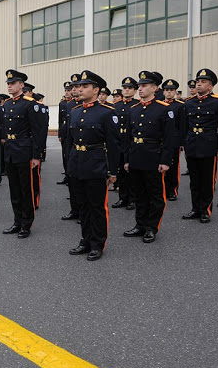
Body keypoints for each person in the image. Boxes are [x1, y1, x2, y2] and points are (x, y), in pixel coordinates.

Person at [67, 70, 120, 261]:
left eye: (85, 86)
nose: (79, 90)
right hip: (78, 163)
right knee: (82, 206)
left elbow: (114, 145)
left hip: (96, 164)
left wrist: (113, 171)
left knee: (97, 206)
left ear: (96, 90)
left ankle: (98, 243)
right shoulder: (75, 112)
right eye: (79, 86)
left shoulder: (107, 113)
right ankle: (85, 239)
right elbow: (71, 141)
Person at [122, 71, 175, 243]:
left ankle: (152, 227)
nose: (140, 88)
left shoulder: (164, 109)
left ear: (154, 88)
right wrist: (127, 159)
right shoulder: (134, 110)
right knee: (139, 194)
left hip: (154, 157)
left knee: (156, 195)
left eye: (144, 86)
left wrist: (165, 161)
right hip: (136, 156)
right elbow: (128, 137)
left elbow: (169, 138)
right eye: (140, 85)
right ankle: (140, 224)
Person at [1, 69, 46, 238]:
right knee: (14, 189)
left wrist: (36, 155)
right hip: (11, 150)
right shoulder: (7, 104)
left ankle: (26, 224)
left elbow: (39, 131)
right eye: (8, 84)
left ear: (21, 85)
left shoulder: (30, 104)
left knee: (26, 189)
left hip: (25, 150)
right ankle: (17, 221)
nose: (10, 86)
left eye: (13, 83)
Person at [181, 68, 218, 223]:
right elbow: (184, 126)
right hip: (192, 145)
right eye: (198, 81)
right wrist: (184, 144)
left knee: (207, 181)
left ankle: (205, 210)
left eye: (203, 82)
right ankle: (195, 209)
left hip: (209, 145)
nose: (199, 84)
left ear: (211, 86)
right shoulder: (189, 103)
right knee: (194, 180)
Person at [112, 77, 139, 210]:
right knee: (121, 172)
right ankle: (122, 197)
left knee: (131, 173)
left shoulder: (137, 105)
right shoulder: (116, 106)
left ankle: (132, 199)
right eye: (125, 88)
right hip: (119, 142)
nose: (126, 90)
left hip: (131, 142)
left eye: (129, 88)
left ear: (135, 90)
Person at [61, 75, 82, 222]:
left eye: (76, 87)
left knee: (83, 184)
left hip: (86, 151)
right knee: (72, 181)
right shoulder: (69, 105)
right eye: (71, 88)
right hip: (71, 147)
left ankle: (83, 212)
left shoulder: (86, 105)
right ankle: (74, 209)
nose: (73, 90)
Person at [162, 79, 185, 201]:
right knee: (162, 165)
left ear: (175, 92)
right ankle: (164, 188)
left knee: (173, 166)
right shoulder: (159, 105)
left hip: (175, 140)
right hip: (162, 140)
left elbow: (182, 125)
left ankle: (173, 190)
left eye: (171, 90)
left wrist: (182, 142)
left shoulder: (180, 106)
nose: (169, 93)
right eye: (166, 90)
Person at [57, 82, 73, 185]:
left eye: (69, 90)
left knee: (71, 155)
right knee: (65, 155)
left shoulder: (77, 103)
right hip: (64, 132)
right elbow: (60, 119)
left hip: (72, 132)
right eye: (66, 90)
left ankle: (72, 177)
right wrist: (59, 133)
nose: (67, 92)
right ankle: (67, 176)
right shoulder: (62, 103)